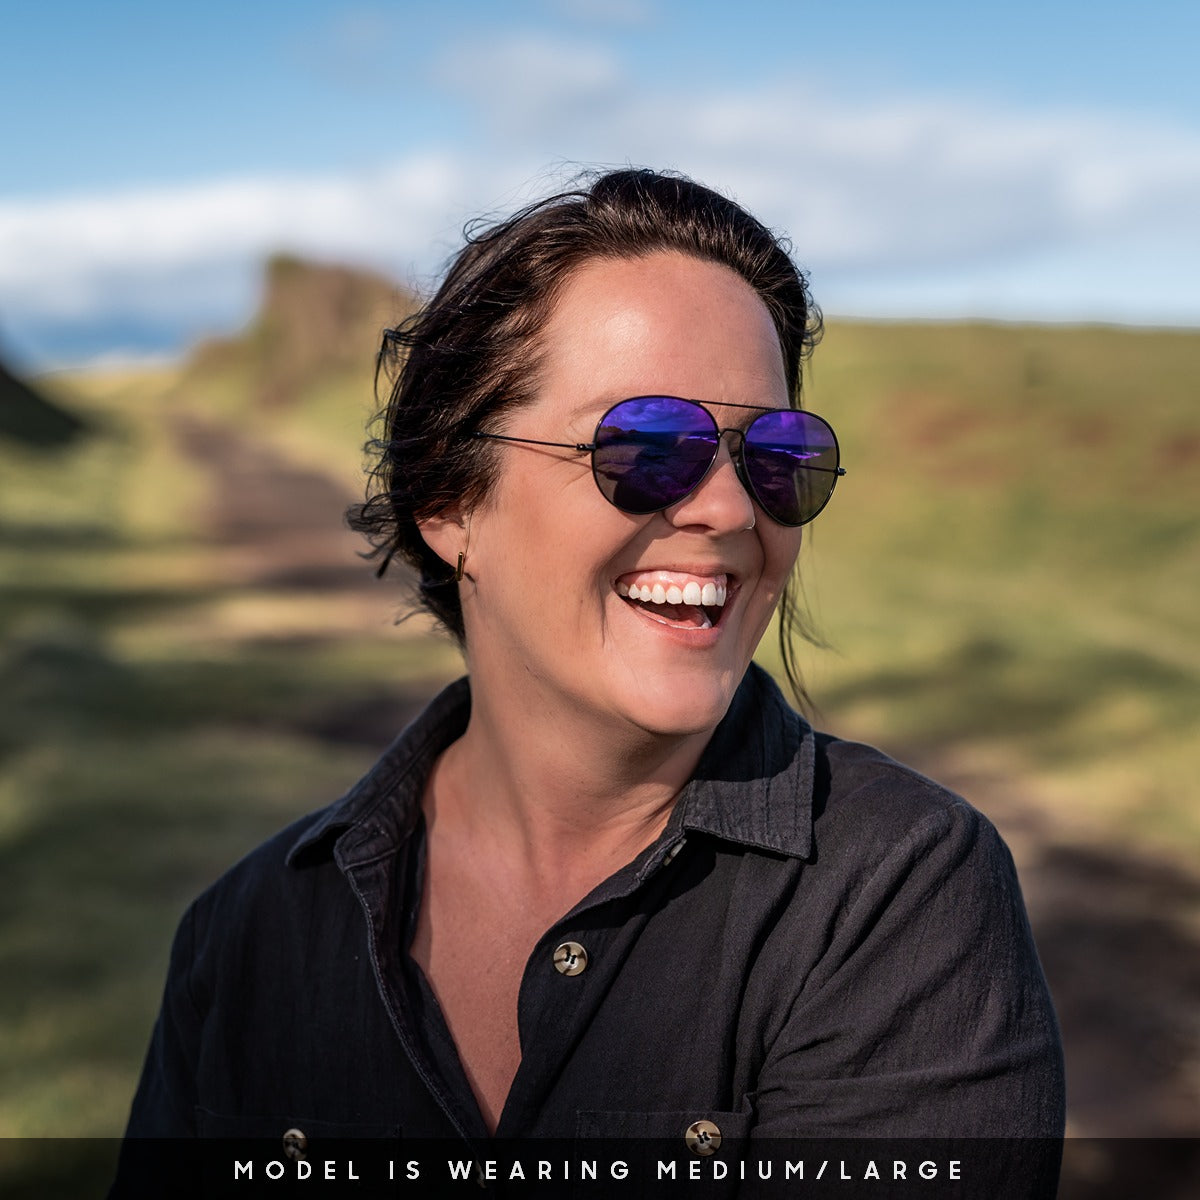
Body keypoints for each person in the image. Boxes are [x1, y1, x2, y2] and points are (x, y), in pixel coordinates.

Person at [113, 169, 1064, 1193]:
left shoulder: (898, 895)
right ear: (450, 500)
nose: (730, 511)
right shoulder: (250, 935)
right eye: (649, 445)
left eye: (776, 454)